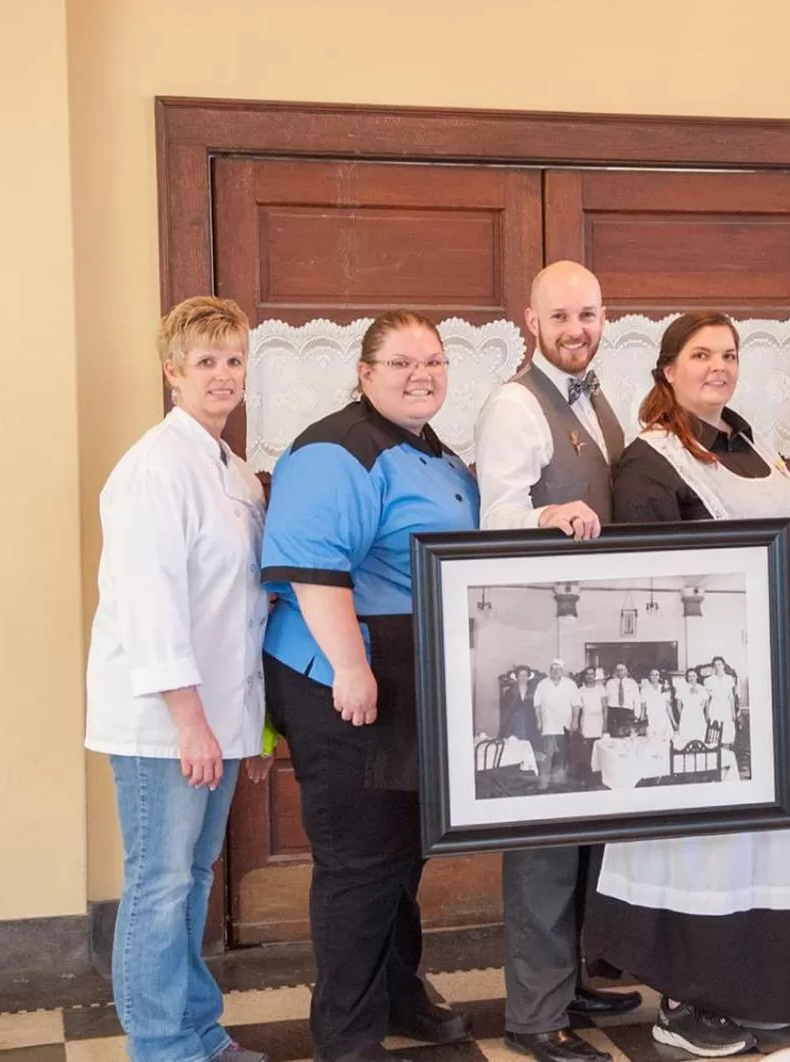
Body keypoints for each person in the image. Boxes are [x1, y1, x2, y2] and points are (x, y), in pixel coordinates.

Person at [588, 311, 790, 1057]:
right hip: (706, 674)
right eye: (700, 355)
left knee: (770, 832)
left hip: (778, 665)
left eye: (727, 354)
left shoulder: (749, 445)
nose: (717, 367)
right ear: (666, 370)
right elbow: (647, 586)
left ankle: (761, 987)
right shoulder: (650, 462)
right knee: (705, 834)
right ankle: (688, 997)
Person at [259, 310, 474, 1062]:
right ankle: (346, 1039)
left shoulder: (433, 452)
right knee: (359, 862)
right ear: (364, 373)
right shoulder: (336, 449)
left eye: (435, 362)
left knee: (401, 853)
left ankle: (397, 993)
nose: (422, 375)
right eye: (402, 363)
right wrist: (352, 670)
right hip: (340, 674)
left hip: (409, 675)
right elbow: (314, 572)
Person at [85, 296, 271, 1062]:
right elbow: (152, 606)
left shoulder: (229, 467)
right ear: (172, 372)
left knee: (193, 880)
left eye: (232, 360)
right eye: (205, 362)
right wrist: (192, 721)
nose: (222, 375)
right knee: (160, 886)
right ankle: (161, 1046)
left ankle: (199, 1031)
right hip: (165, 721)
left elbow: (241, 607)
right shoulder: (155, 469)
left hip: (220, 716)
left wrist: (245, 726)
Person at [474, 260, 641, 1062]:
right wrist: (547, 511)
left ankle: (567, 981)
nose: (578, 329)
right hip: (543, 638)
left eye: (590, 313)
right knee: (543, 830)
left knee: (586, 821)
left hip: (589, 639)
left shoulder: (598, 394)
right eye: (561, 317)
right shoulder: (514, 404)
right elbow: (495, 515)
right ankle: (534, 1016)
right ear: (529, 322)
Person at [534, 660, 578, 785]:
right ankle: (544, 784)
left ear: (562, 671)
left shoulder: (570, 684)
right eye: (552, 669)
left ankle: (560, 784)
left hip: (565, 725)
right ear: (549, 671)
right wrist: (539, 721)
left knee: (563, 755)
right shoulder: (542, 684)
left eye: (558, 669)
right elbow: (537, 705)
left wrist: (575, 721)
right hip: (548, 726)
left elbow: (576, 705)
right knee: (548, 755)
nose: (555, 671)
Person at [574, 667, 607, 786]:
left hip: (598, 721)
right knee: (586, 752)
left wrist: (605, 724)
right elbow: (578, 709)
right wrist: (578, 725)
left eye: (592, 674)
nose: (589, 676)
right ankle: (587, 778)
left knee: (599, 749)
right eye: (587, 674)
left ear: (595, 676)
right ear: (584, 676)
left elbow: (605, 708)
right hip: (586, 721)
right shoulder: (580, 690)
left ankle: (599, 776)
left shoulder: (601, 688)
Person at [702, 657, 737, 747]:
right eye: (715, 665)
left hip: (726, 707)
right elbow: (707, 699)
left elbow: (730, 696)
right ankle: (715, 756)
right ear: (713, 667)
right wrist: (707, 714)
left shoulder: (729, 679)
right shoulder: (708, 680)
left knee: (727, 732)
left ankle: (726, 756)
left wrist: (733, 712)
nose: (718, 667)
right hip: (714, 707)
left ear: (723, 666)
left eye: (719, 664)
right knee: (714, 733)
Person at [500, 667, 539, 743]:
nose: (523, 678)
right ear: (517, 677)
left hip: (530, 723)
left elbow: (537, 707)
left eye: (525, 675)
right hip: (514, 725)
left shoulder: (534, 691)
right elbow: (506, 712)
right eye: (520, 675)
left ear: (528, 677)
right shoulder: (509, 692)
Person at [673, 668, 709, 748]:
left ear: (697, 677)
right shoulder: (682, 688)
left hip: (698, 715)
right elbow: (678, 705)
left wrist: (699, 711)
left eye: (693, 675)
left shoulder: (701, 688)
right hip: (686, 714)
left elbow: (704, 703)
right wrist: (683, 715)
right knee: (686, 738)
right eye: (689, 676)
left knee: (699, 737)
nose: (691, 678)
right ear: (687, 678)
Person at [605, 663, 641, 737]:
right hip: (613, 712)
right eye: (617, 670)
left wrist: (637, 715)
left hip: (627, 713)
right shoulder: (610, 683)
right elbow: (606, 700)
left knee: (627, 735)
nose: (620, 672)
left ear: (626, 671)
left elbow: (637, 700)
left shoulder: (632, 683)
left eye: (622, 670)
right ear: (615, 671)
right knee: (613, 735)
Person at [640, 668, 675, 743]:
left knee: (665, 740)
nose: (654, 676)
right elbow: (643, 706)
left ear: (659, 677)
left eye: (657, 675)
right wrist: (642, 718)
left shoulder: (665, 688)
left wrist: (673, 722)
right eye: (652, 675)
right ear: (649, 676)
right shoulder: (644, 690)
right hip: (651, 717)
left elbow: (668, 706)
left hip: (663, 717)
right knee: (653, 739)